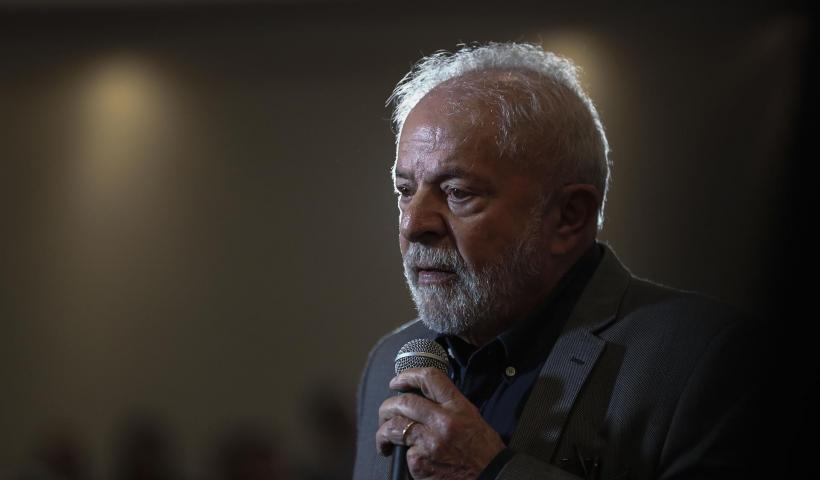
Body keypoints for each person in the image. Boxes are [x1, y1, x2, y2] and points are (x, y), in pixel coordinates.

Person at [353, 42, 766, 480]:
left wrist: (492, 471)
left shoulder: (703, 358)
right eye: (405, 190)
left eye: (458, 192)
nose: (413, 224)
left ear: (569, 216)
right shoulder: (388, 362)